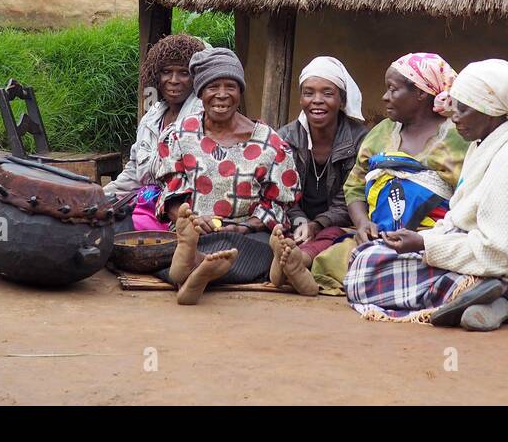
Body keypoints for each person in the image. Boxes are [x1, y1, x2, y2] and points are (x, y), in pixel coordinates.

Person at [345, 59, 508, 331]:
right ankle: (481, 302)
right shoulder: (482, 147)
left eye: (463, 109)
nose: (454, 117)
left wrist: (423, 244)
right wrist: (423, 239)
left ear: (489, 111)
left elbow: (498, 255)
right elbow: (459, 218)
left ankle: (496, 299)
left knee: (363, 278)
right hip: (477, 259)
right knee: (367, 258)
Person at [308, 52, 469, 292]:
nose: (384, 97)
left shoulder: (459, 140)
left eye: (393, 89)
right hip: (381, 236)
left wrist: (432, 238)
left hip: (433, 240)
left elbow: (471, 200)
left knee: (421, 265)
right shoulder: (382, 133)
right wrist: (362, 223)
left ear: (421, 93)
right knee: (338, 255)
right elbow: (354, 186)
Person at [154, 47, 298, 304]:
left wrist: (243, 226)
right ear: (200, 93)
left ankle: (195, 270)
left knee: (260, 252)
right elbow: (171, 192)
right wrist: (191, 220)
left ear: (240, 92)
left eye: (230, 86)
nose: (221, 95)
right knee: (166, 247)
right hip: (194, 231)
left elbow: (278, 204)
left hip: (246, 234)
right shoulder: (180, 135)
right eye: (212, 87)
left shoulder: (270, 143)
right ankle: (195, 262)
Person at [268, 57, 369, 296]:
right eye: (308, 93)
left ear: (342, 100)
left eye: (327, 93)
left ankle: (298, 261)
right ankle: (291, 258)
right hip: (296, 223)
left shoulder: (359, 140)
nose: (317, 101)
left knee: (336, 238)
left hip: (338, 224)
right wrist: (300, 221)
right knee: (276, 234)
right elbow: (281, 192)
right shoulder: (287, 138)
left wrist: (317, 223)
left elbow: (351, 196)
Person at [105, 33, 206, 232]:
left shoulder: (203, 118)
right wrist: (100, 196)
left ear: (197, 77)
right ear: (156, 75)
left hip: (181, 212)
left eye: (184, 73)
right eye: (167, 72)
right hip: (145, 203)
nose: (174, 80)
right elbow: (134, 173)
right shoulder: (152, 117)